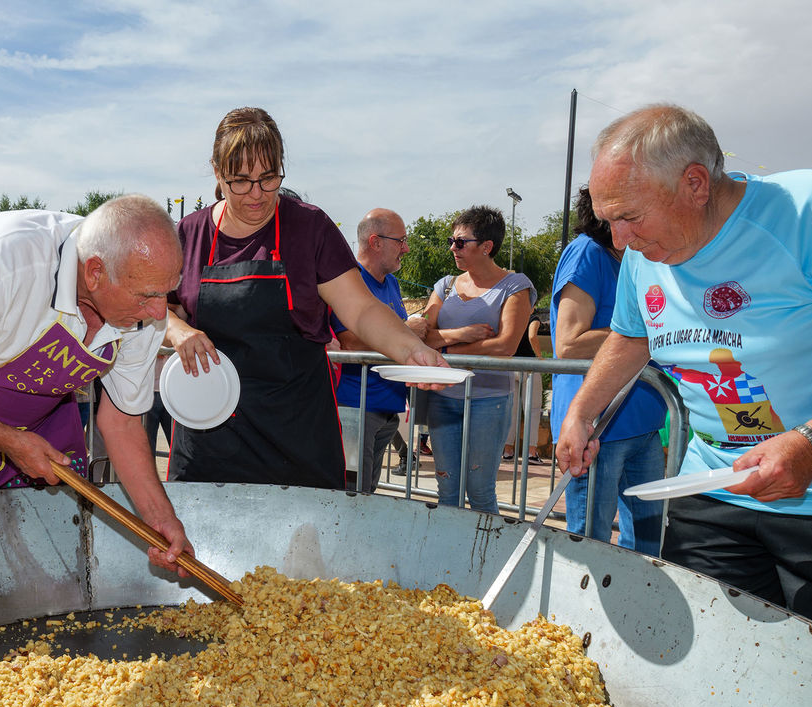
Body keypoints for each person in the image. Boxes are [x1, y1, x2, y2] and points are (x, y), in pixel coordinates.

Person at [555, 103, 812, 647]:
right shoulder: (643, 251)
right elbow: (632, 337)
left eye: (630, 217)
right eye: (610, 223)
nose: (621, 240)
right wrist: (584, 412)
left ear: (695, 183)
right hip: (712, 494)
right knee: (716, 665)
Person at [0, 195, 192, 577]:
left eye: (167, 293)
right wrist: (9, 441)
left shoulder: (142, 310)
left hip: (47, 435)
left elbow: (122, 423)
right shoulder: (9, 259)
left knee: (47, 583)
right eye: (149, 297)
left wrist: (161, 519)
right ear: (94, 273)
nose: (161, 313)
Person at [164, 107, 445, 489]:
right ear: (217, 172)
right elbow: (155, 310)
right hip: (209, 430)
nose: (257, 195)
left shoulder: (310, 228)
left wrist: (412, 350)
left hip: (296, 430)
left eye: (269, 178)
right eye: (241, 182)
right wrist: (179, 331)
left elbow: (361, 310)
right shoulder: (188, 233)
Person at [549, 187, 668, 556]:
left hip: (644, 425)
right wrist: (646, 327)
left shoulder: (637, 259)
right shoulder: (587, 253)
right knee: (590, 544)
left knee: (648, 546)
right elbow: (568, 343)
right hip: (597, 430)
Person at [415, 206, 535, 512]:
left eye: (460, 242)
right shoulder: (445, 285)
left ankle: (488, 560)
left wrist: (450, 351)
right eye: (452, 240)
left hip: (489, 399)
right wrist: (464, 333)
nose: (452, 248)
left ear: (487, 247)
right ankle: (448, 559)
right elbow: (423, 336)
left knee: (480, 491)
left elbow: (505, 346)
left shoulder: (515, 286)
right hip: (444, 396)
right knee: (447, 490)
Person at [330, 208, 421, 492]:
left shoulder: (391, 283)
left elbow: (404, 332)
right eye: (401, 240)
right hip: (355, 406)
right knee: (351, 495)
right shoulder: (346, 280)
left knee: (366, 494)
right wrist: (408, 333)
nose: (406, 248)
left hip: (386, 408)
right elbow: (350, 341)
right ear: (376, 242)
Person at [503, 314, 545, 465]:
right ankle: (531, 452)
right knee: (532, 410)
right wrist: (540, 358)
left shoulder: (510, 315)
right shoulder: (532, 317)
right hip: (529, 366)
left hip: (511, 364)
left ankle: (508, 450)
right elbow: (532, 335)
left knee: (512, 410)